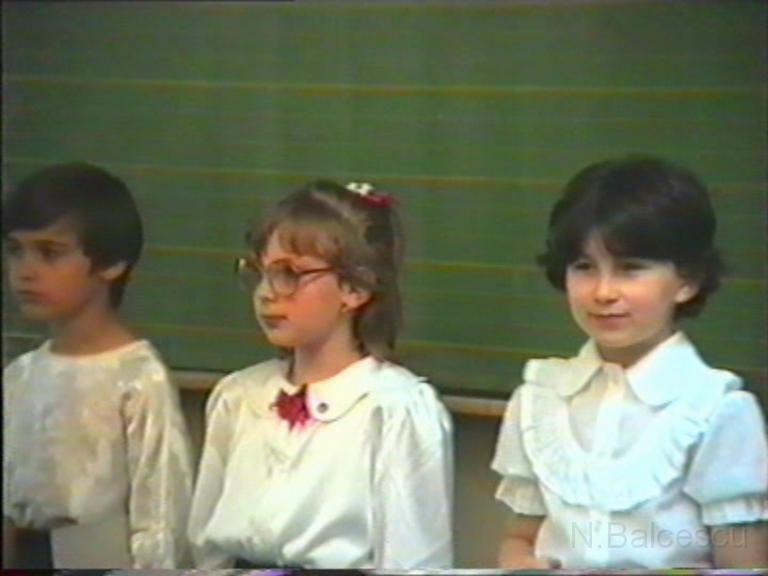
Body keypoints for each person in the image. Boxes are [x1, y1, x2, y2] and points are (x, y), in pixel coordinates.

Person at [492, 156, 768, 569]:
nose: (603, 291)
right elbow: (519, 538)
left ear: (687, 280)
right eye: (584, 267)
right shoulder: (540, 398)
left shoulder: (715, 409)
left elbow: (742, 564)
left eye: (630, 268)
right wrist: (521, 564)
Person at [187, 180, 453, 569]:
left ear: (355, 288)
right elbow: (206, 547)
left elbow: (414, 561)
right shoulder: (238, 396)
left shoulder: (394, 408)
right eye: (259, 272)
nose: (265, 293)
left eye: (290, 274)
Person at [2, 163, 194, 569]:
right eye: (16, 250)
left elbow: (160, 514)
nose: (25, 271)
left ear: (111, 264)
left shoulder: (138, 376)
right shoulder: (19, 375)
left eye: (49, 253)